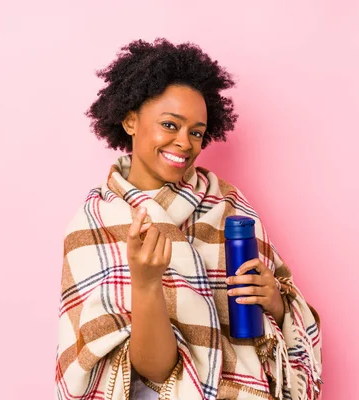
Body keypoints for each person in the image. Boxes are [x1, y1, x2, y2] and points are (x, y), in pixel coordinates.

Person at [56, 38, 322, 400]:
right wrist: (146, 283)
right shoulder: (94, 225)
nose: (185, 142)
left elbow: (281, 332)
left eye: (196, 132)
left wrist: (274, 300)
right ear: (131, 119)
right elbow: (154, 373)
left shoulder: (229, 205)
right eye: (170, 125)